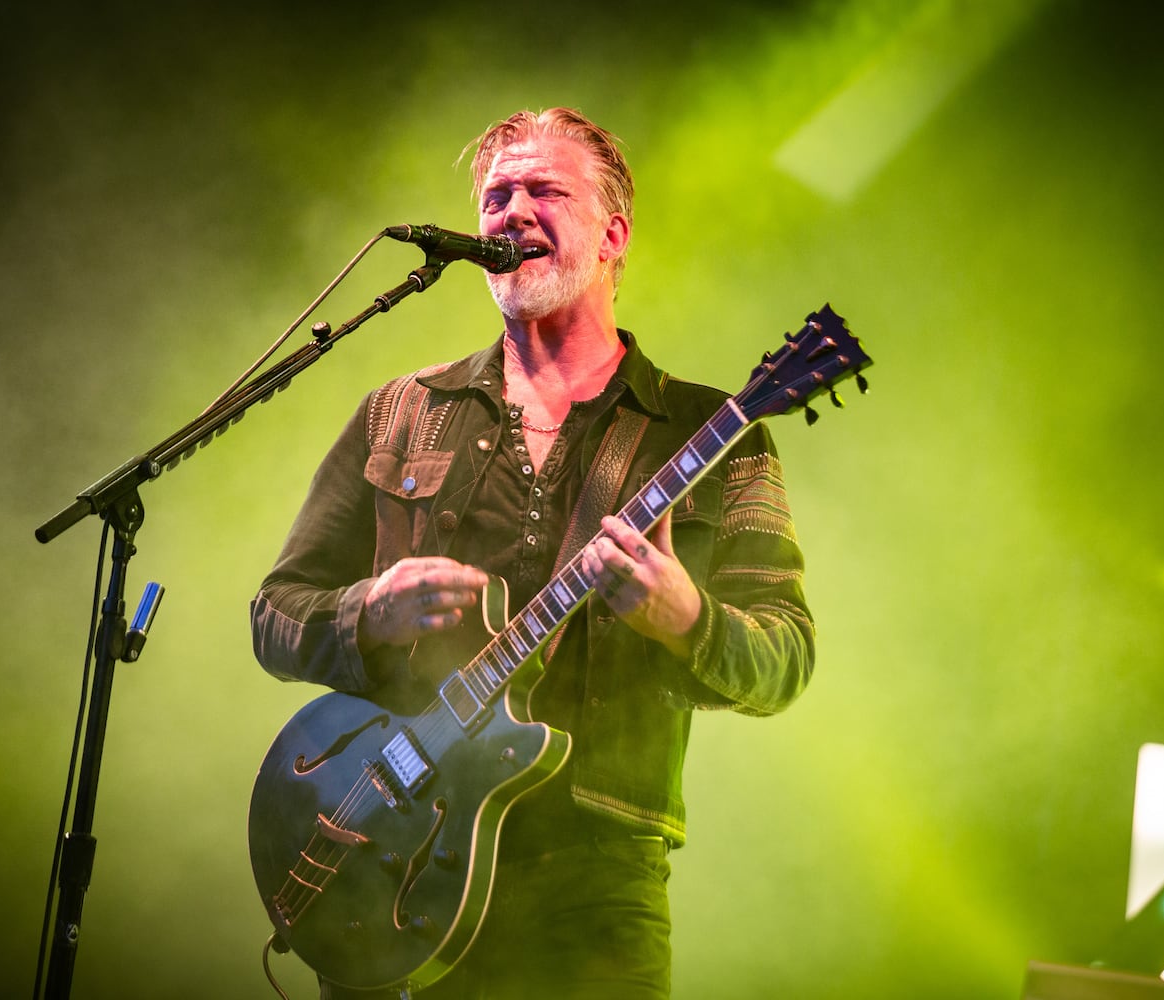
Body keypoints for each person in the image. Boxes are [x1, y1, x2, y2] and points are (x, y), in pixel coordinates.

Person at [251, 107, 815, 999]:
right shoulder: (401, 412)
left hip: (593, 886)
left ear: (613, 233)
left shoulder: (712, 433)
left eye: (545, 190)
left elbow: (786, 656)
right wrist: (369, 611)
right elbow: (276, 612)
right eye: (495, 195)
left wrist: (687, 619)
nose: (512, 212)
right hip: (389, 855)